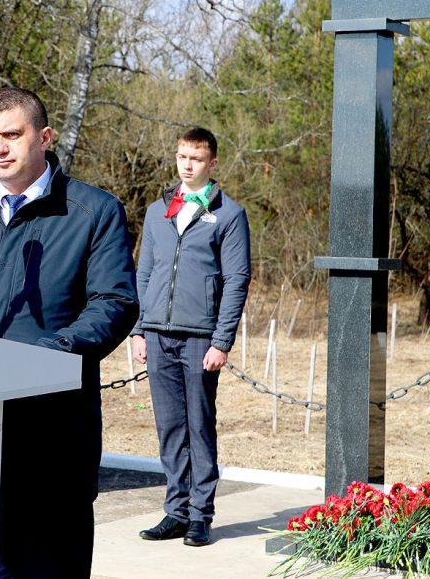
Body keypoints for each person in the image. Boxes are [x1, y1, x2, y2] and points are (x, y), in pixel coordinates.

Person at [0, 86, 139, 578]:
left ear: (45, 138)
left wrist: (44, 359)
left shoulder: (93, 212)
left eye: (12, 134)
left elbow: (115, 303)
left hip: (52, 434)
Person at [131, 127, 251, 547]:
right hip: (158, 334)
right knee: (169, 428)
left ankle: (201, 514)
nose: (186, 164)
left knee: (199, 427)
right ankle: (175, 511)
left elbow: (237, 279)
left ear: (212, 163)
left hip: (201, 337)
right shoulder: (156, 211)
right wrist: (139, 329)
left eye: (196, 158)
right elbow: (144, 272)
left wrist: (222, 341)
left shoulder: (229, 215)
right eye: (182, 156)